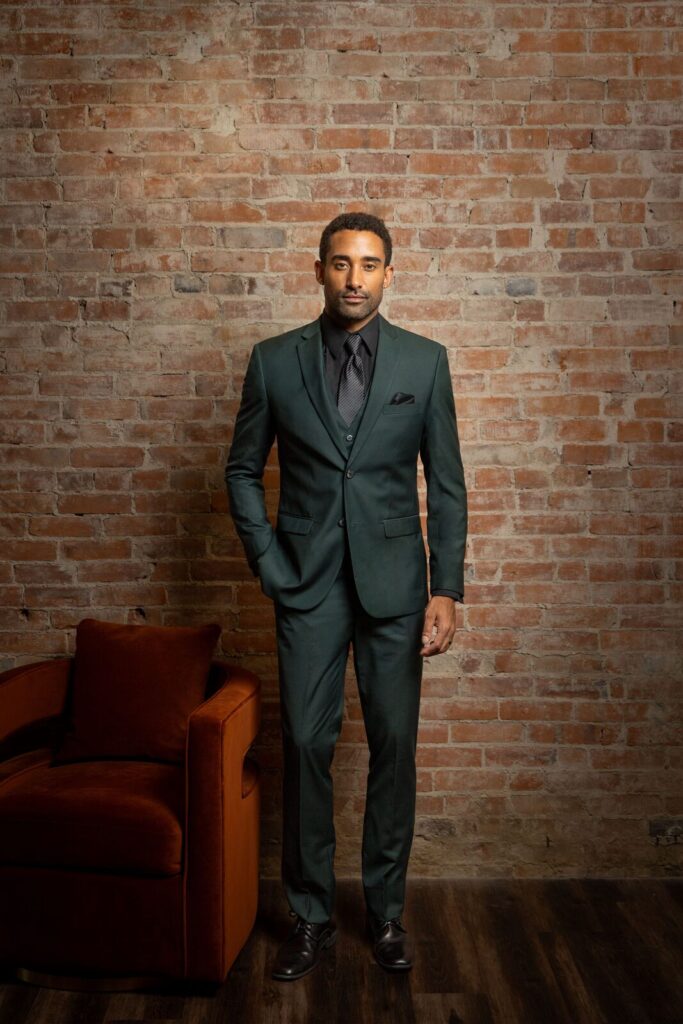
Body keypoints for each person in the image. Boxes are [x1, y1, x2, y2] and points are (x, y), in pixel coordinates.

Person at [225, 212, 467, 980]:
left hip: (396, 588)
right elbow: (239, 469)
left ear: (389, 274)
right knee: (303, 743)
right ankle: (309, 915)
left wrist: (447, 590)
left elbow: (448, 486)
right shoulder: (272, 361)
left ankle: (387, 914)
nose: (354, 278)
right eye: (340, 263)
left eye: (368, 265)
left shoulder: (424, 363)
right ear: (319, 270)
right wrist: (268, 558)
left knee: (394, 747)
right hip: (306, 583)